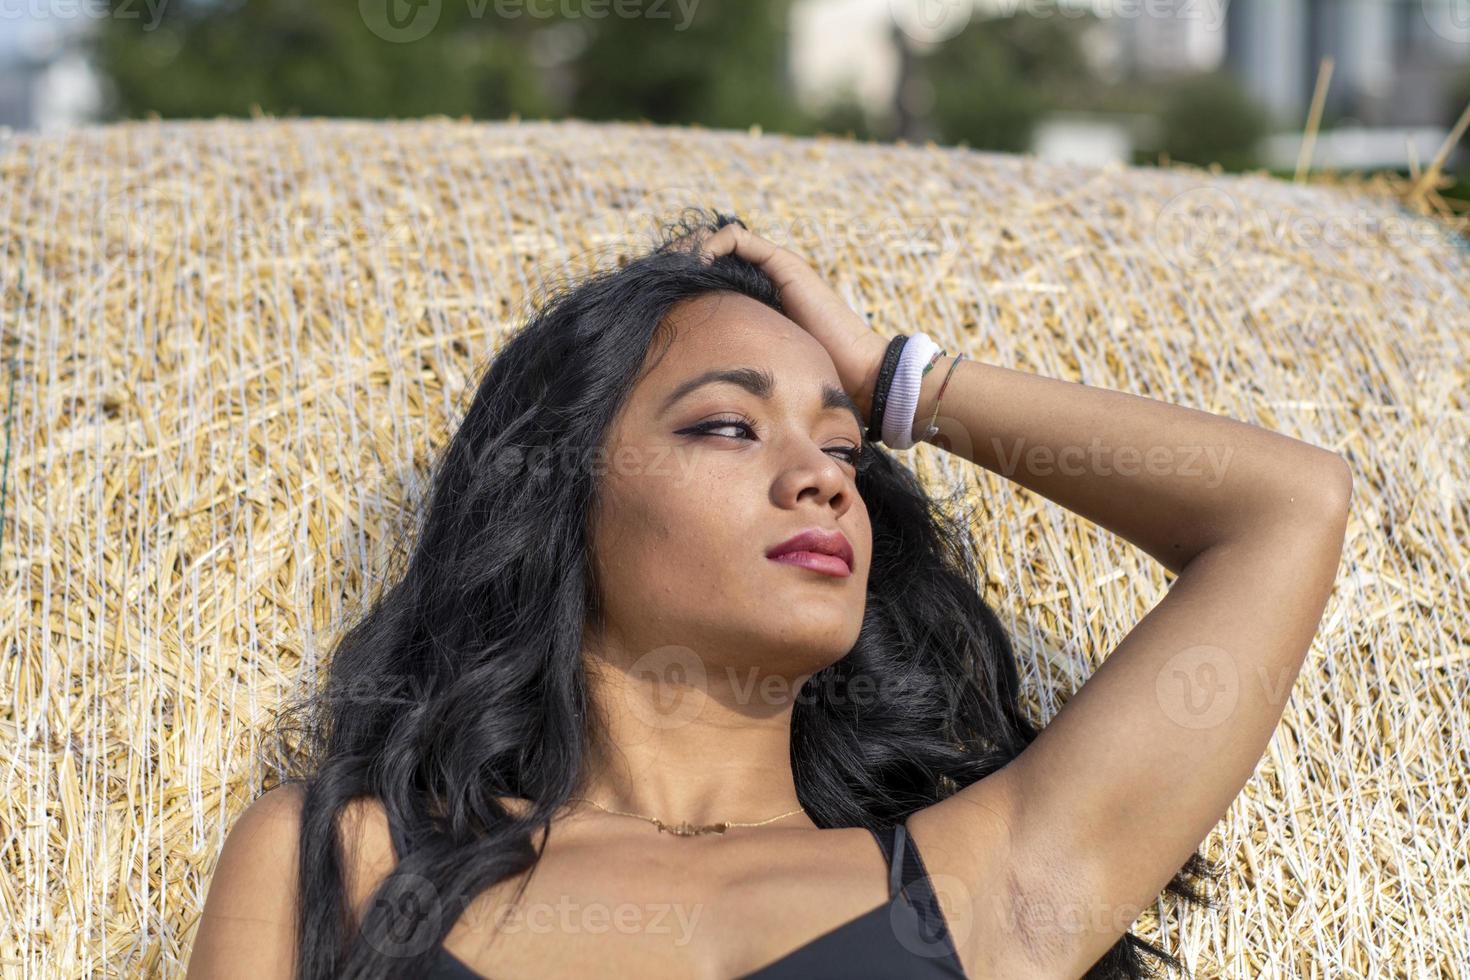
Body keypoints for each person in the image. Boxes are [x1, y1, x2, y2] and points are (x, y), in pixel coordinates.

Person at [185, 208, 1350, 979]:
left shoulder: (990, 881)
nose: (817, 478)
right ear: (561, 492)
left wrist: (901, 384)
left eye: (844, 450)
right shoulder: (337, 859)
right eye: (728, 425)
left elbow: (1283, 507)